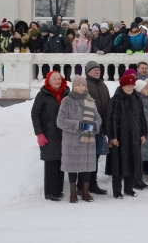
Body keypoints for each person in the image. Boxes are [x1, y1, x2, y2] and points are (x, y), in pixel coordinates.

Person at [57, 74, 102, 203]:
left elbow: (98, 118)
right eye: (78, 85)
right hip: (72, 140)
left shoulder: (91, 100)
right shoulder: (67, 100)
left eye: (83, 85)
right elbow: (60, 121)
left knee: (87, 167)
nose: (81, 88)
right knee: (73, 168)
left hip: (88, 141)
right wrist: (78, 125)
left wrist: (94, 126)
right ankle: (73, 193)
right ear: (74, 87)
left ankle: (85, 192)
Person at [105, 74, 147, 198]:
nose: (130, 88)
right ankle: (117, 191)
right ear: (122, 86)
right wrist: (112, 136)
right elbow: (110, 119)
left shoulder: (137, 98)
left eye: (131, 86)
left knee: (132, 162)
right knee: (118, 165)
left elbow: (141, 118)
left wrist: (144, 133)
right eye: (127, 86)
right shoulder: (115, 99)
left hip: (134, 137)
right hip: (120, 137)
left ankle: (129, 189)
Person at [32, 71, 69, 201]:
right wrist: (39, 133)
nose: (58, 81)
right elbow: (35, 114)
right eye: (55, 79)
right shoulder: (42, 95)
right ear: (48, 81)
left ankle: (58, 190)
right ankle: (50, 192)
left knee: (61, 161)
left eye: (59, 79)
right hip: (49, 132)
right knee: (51, 162)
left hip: (64, 133)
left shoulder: (66, 93)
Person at [83, 61, 110, 195]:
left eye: (98, 69)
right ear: (88, 71)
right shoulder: (84, 85)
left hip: (100, 128)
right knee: (86, 158)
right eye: (94, 69)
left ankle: (92, 184)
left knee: (96, 157)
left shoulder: (103, 85)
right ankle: (82, 185)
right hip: (88, 128)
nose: (97, 71)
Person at [134, 79, 148, 182]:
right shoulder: (138, 101)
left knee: (144, 154)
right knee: (139, 155)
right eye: (145, 88)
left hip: (147, 130)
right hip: (140, 131)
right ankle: (137, 178)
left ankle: (139, 177)